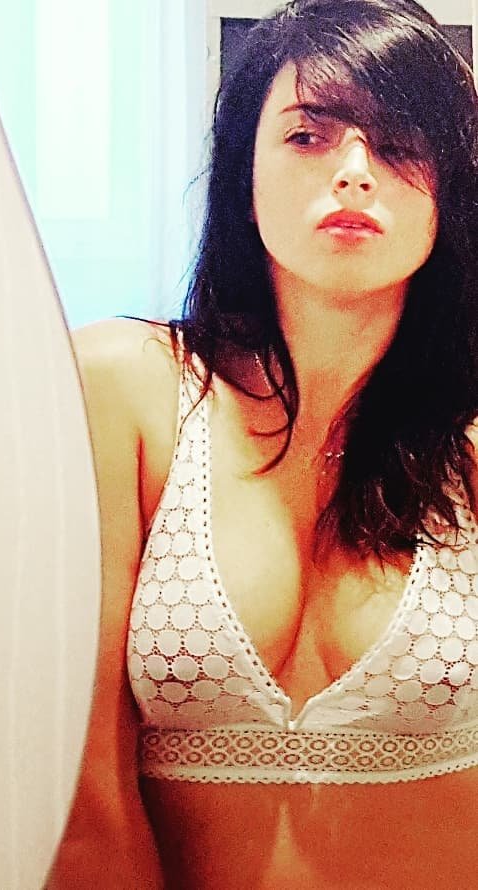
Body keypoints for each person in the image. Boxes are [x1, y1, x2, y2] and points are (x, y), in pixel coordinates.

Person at [47, 0, 478, 887]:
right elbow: (83, 799)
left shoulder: (468, 443)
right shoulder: (127, 391)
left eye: (399, 143)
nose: (354, 171)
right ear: (243, 167)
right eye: (308, 136)